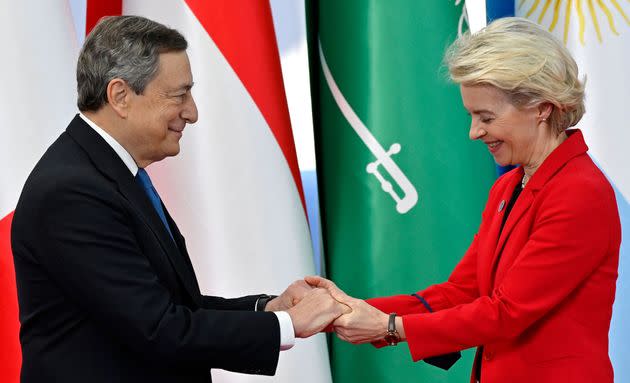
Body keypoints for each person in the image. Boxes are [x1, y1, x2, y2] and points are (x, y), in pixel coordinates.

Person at [11, 16, 346, 383]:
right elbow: (159, 329)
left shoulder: (109, 174)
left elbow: (173, 307)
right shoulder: (72, 192)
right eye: (179, 95)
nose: (193, 112)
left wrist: (270, 308)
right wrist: (287, 324)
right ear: (120, 95)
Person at [307, 17, 621, 383]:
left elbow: (507, 312)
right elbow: (463, 293)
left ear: (541, 106)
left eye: (486, 117)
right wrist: (350, 310)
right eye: (472, 116)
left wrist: (390, 326)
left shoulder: (581, 191)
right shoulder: (508, 188)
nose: (474, 132)